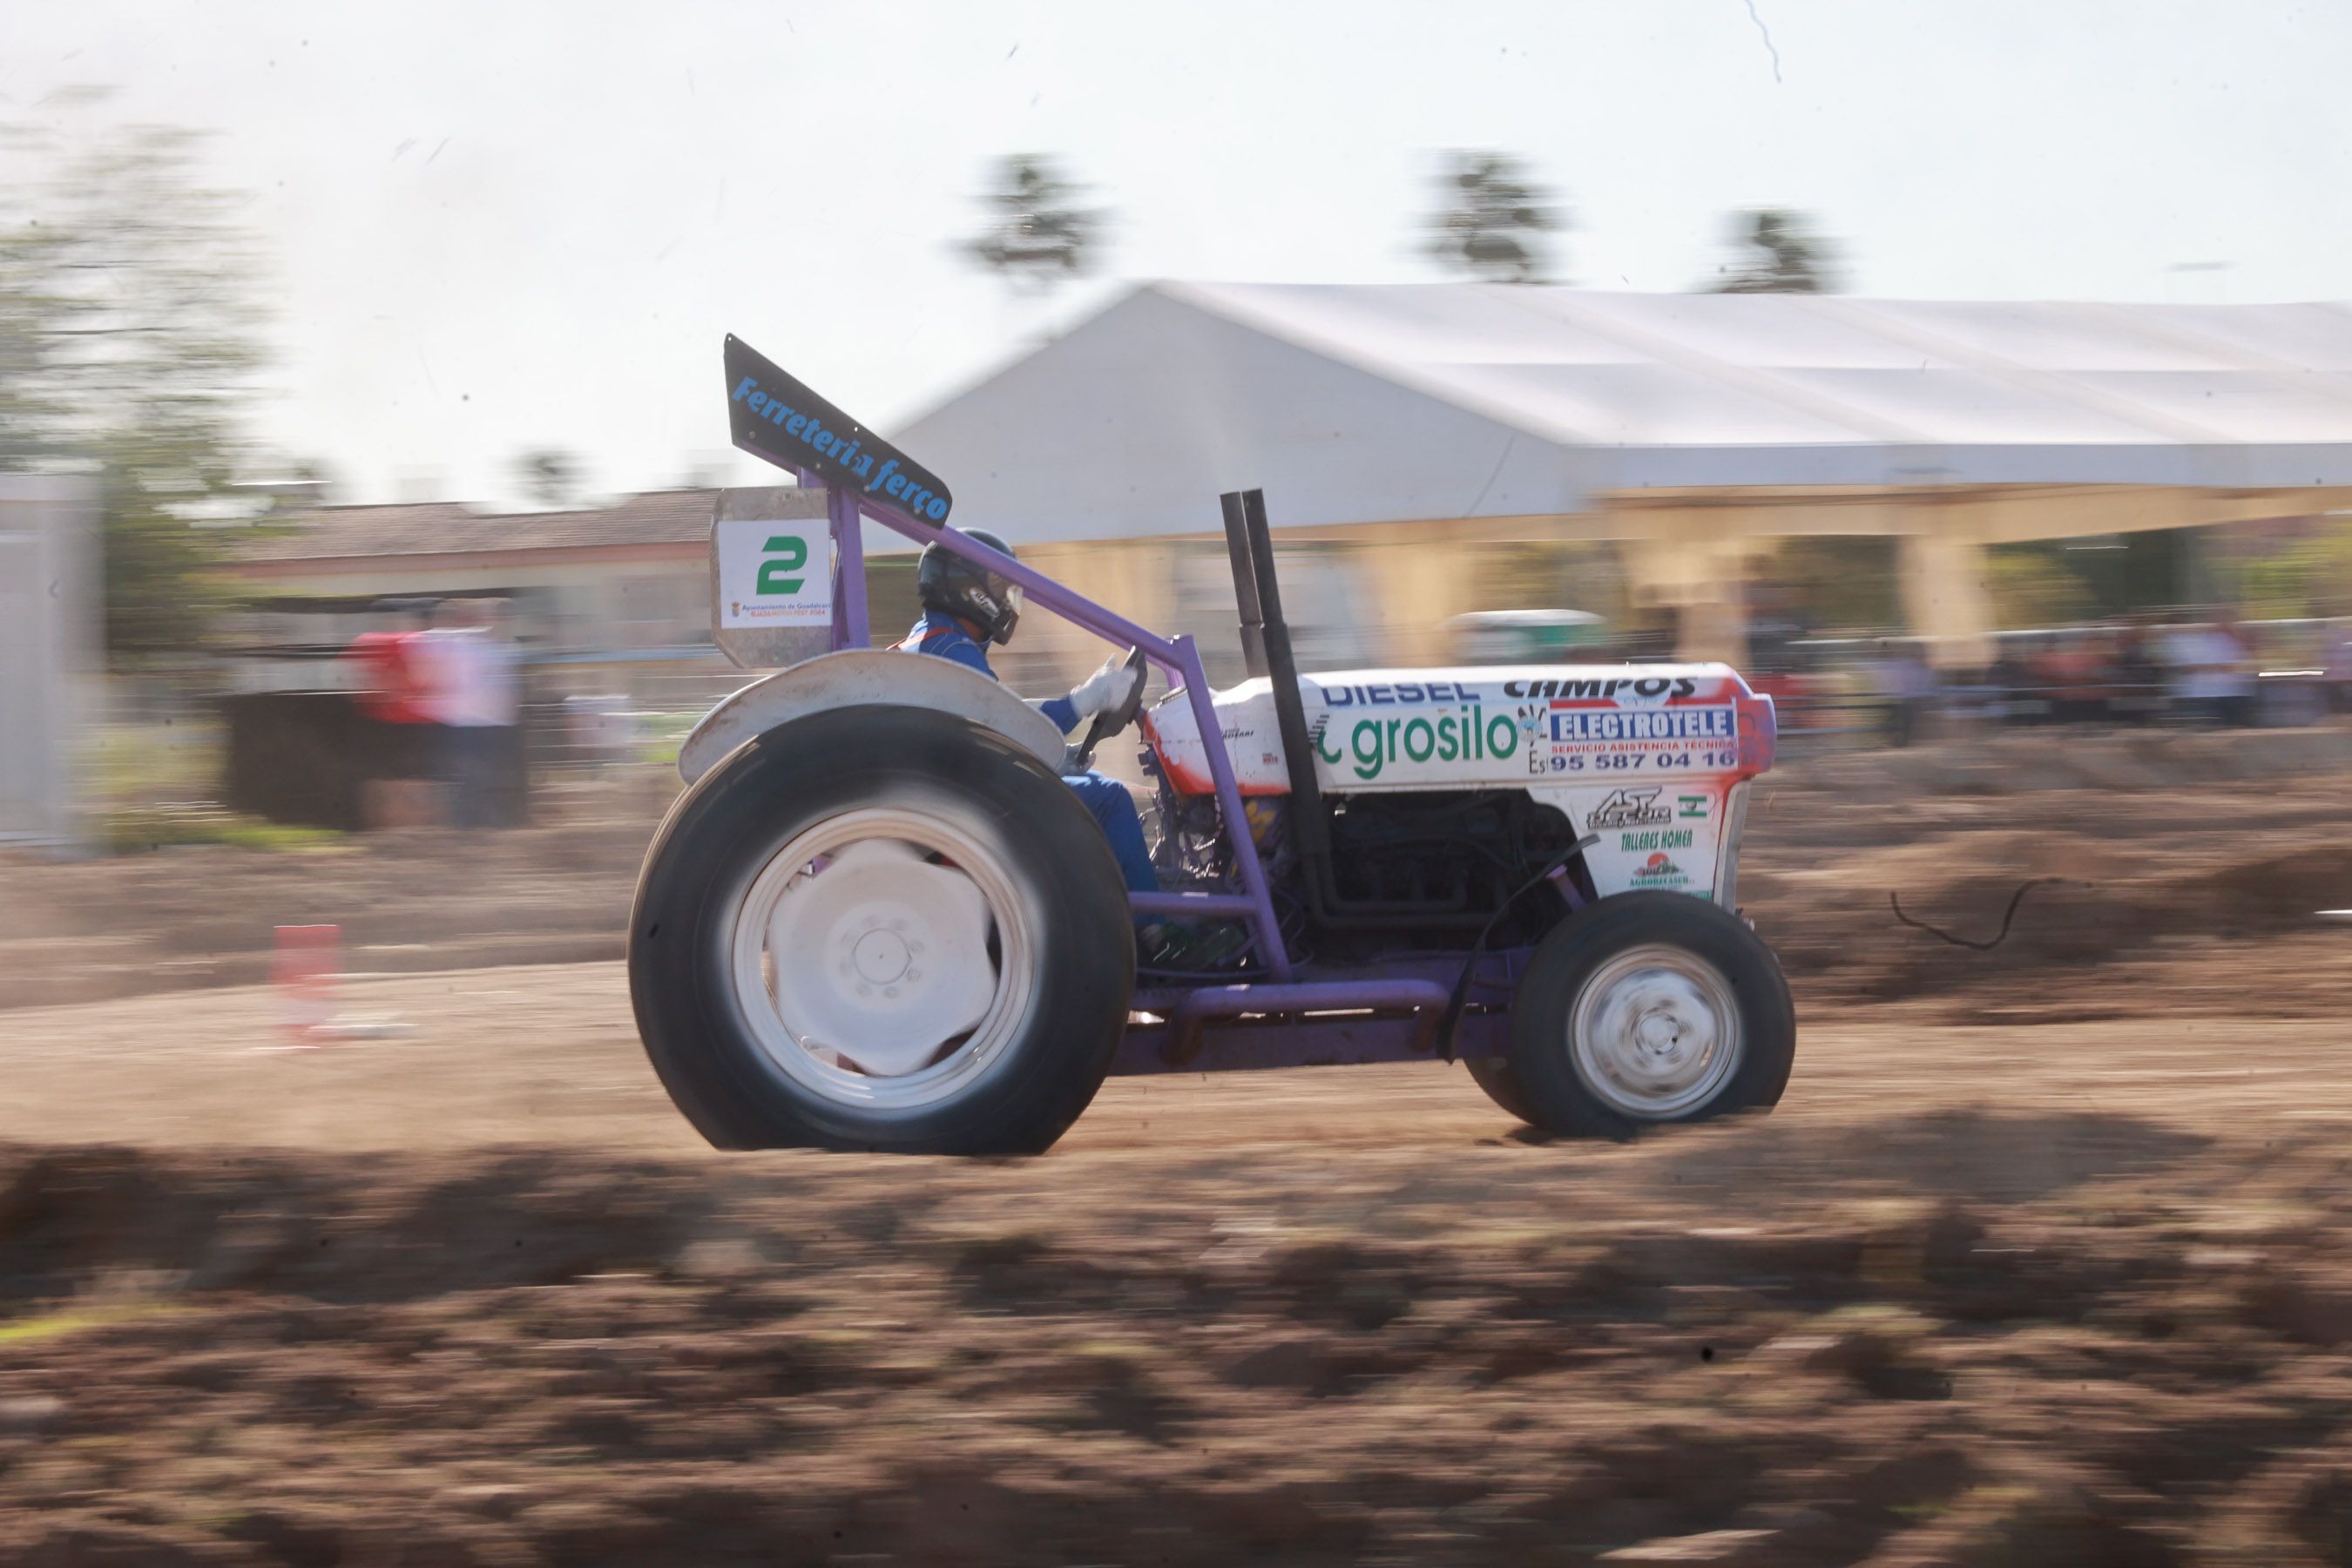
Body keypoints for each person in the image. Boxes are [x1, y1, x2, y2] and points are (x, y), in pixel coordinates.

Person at [897, 531, 1235, 969]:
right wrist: (1085, 700)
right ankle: (1157, 936)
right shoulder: (950, 649)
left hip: (965, 791)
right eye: (1001, 589)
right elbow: (1007, 725)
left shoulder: (932, 641)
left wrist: (1062, 751)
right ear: (970, 590)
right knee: (1112, 799)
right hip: (976, 803)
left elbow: (996, 721)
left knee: (1091, 783)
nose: (1007, 602)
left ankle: (1128, 917)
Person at [415, 598, 523, 828]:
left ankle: (475, 821)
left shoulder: (479, 641)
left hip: (482, 721)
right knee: (470, 776)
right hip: (467, 722)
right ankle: (467, 822)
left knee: (479, 775)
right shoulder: (449, 641)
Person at [344, 599, 437, 828]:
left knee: (377, 779)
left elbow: (348, 679)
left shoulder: (363, 642)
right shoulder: (411, 641)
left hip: (373, 720)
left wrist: (369, 698)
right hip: (412, 720)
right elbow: (425, 679)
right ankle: (419, 827)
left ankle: (378, 826)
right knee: (417, 778)